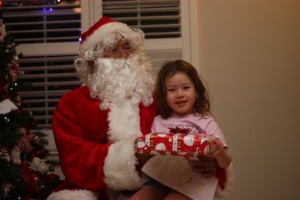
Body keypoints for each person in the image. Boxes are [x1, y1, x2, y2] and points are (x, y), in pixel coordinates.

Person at [47, 16, 225, 200]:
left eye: (127, 48)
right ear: (93, 61)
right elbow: (74, 158)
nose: (124, 55)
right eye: (113, 50)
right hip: (94, 190)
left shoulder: (158, 97)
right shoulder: (71, 104)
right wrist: (132, 155)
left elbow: (191, 127)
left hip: (160, 184)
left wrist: (209, 162)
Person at [131, 60, 233, 200]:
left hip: (194, 180)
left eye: (185, 87)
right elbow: (149, 154)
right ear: (163, 95)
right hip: (161, 179)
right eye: (172, 90)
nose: (179, 94)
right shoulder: (158, 121)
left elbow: (226, 162)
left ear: (196, 91)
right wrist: (141, 147)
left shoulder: (206, 121)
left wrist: (219, 153)